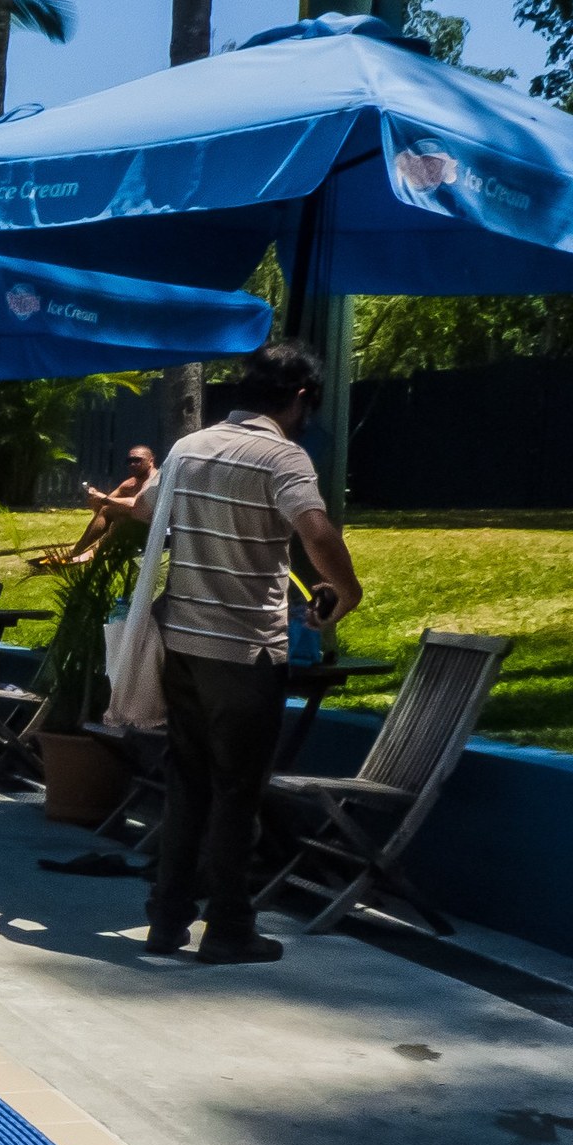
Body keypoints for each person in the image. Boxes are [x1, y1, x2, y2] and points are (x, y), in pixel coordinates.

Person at [126, 340, 363, 965]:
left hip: (182, 645)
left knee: (188, 784)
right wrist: (347, 588)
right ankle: (229, 926)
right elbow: (314, 529)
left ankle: (168, 916)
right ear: (301, 396)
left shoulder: (188, 447)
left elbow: (150, 511)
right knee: (237, 792)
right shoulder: (284, 457)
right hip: (246, 652)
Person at [64, 445, 157, 560]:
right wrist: (95, 499)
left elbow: (135, 503)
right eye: (129, 461)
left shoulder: (154, 480)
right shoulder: (131, 483)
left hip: (156, 533)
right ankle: (79, 550)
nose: (132, 464)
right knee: (110, 511)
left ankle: (87, 553)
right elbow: (103, 507)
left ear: (150, 460)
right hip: (137, 527)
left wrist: (105, 498)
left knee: (122, 521)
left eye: (137, 460)